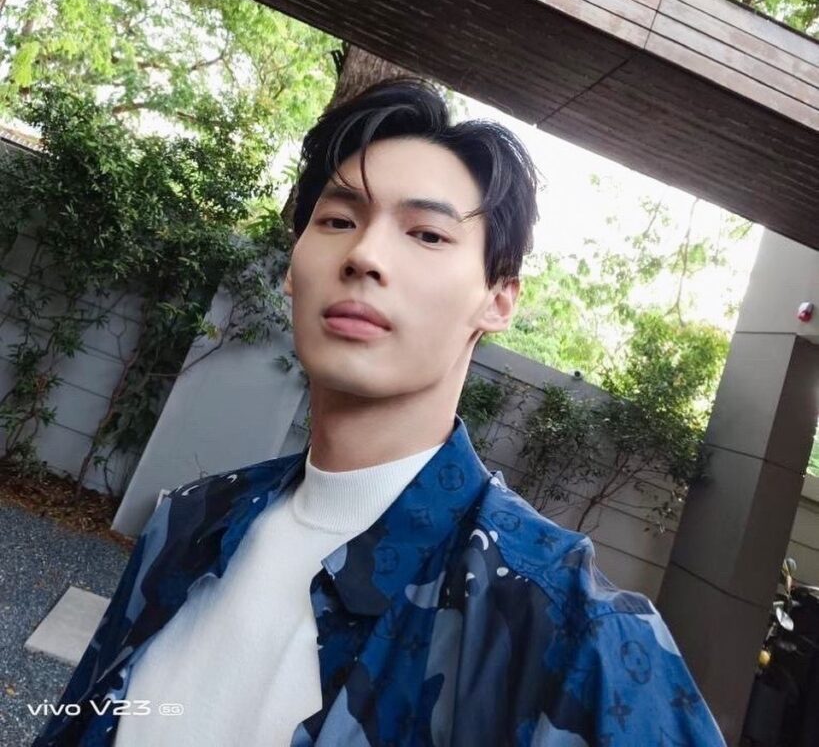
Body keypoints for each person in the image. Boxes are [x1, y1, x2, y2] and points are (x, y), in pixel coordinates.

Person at [32, 77, 726, 746]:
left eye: (427, 234)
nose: (364, 255)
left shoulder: (572, 633)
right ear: (292, 268)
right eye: (338, 221)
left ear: (498, 300)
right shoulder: (190, 523)